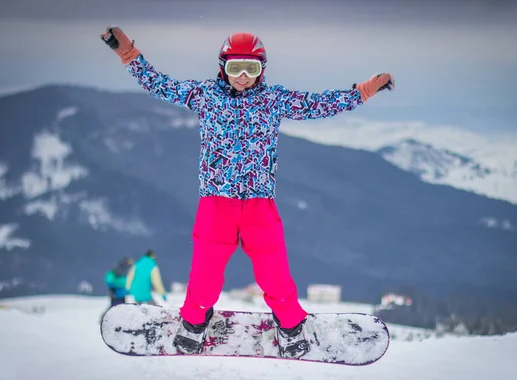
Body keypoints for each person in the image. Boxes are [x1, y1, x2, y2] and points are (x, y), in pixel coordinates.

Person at [101, 27, 394, 358]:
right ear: (221, 67)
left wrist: (363, 91)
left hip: (259, 204)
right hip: (216, 203)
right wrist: (127, 52)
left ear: (262, 69)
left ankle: (289, 324)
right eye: (235, 68)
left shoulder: (273, 99)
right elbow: (158, 84)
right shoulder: (205, 95)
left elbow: (318, 105)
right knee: (205, 272)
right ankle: (194, 321)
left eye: (251, 68)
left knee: (274, 271)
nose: (242, 76)